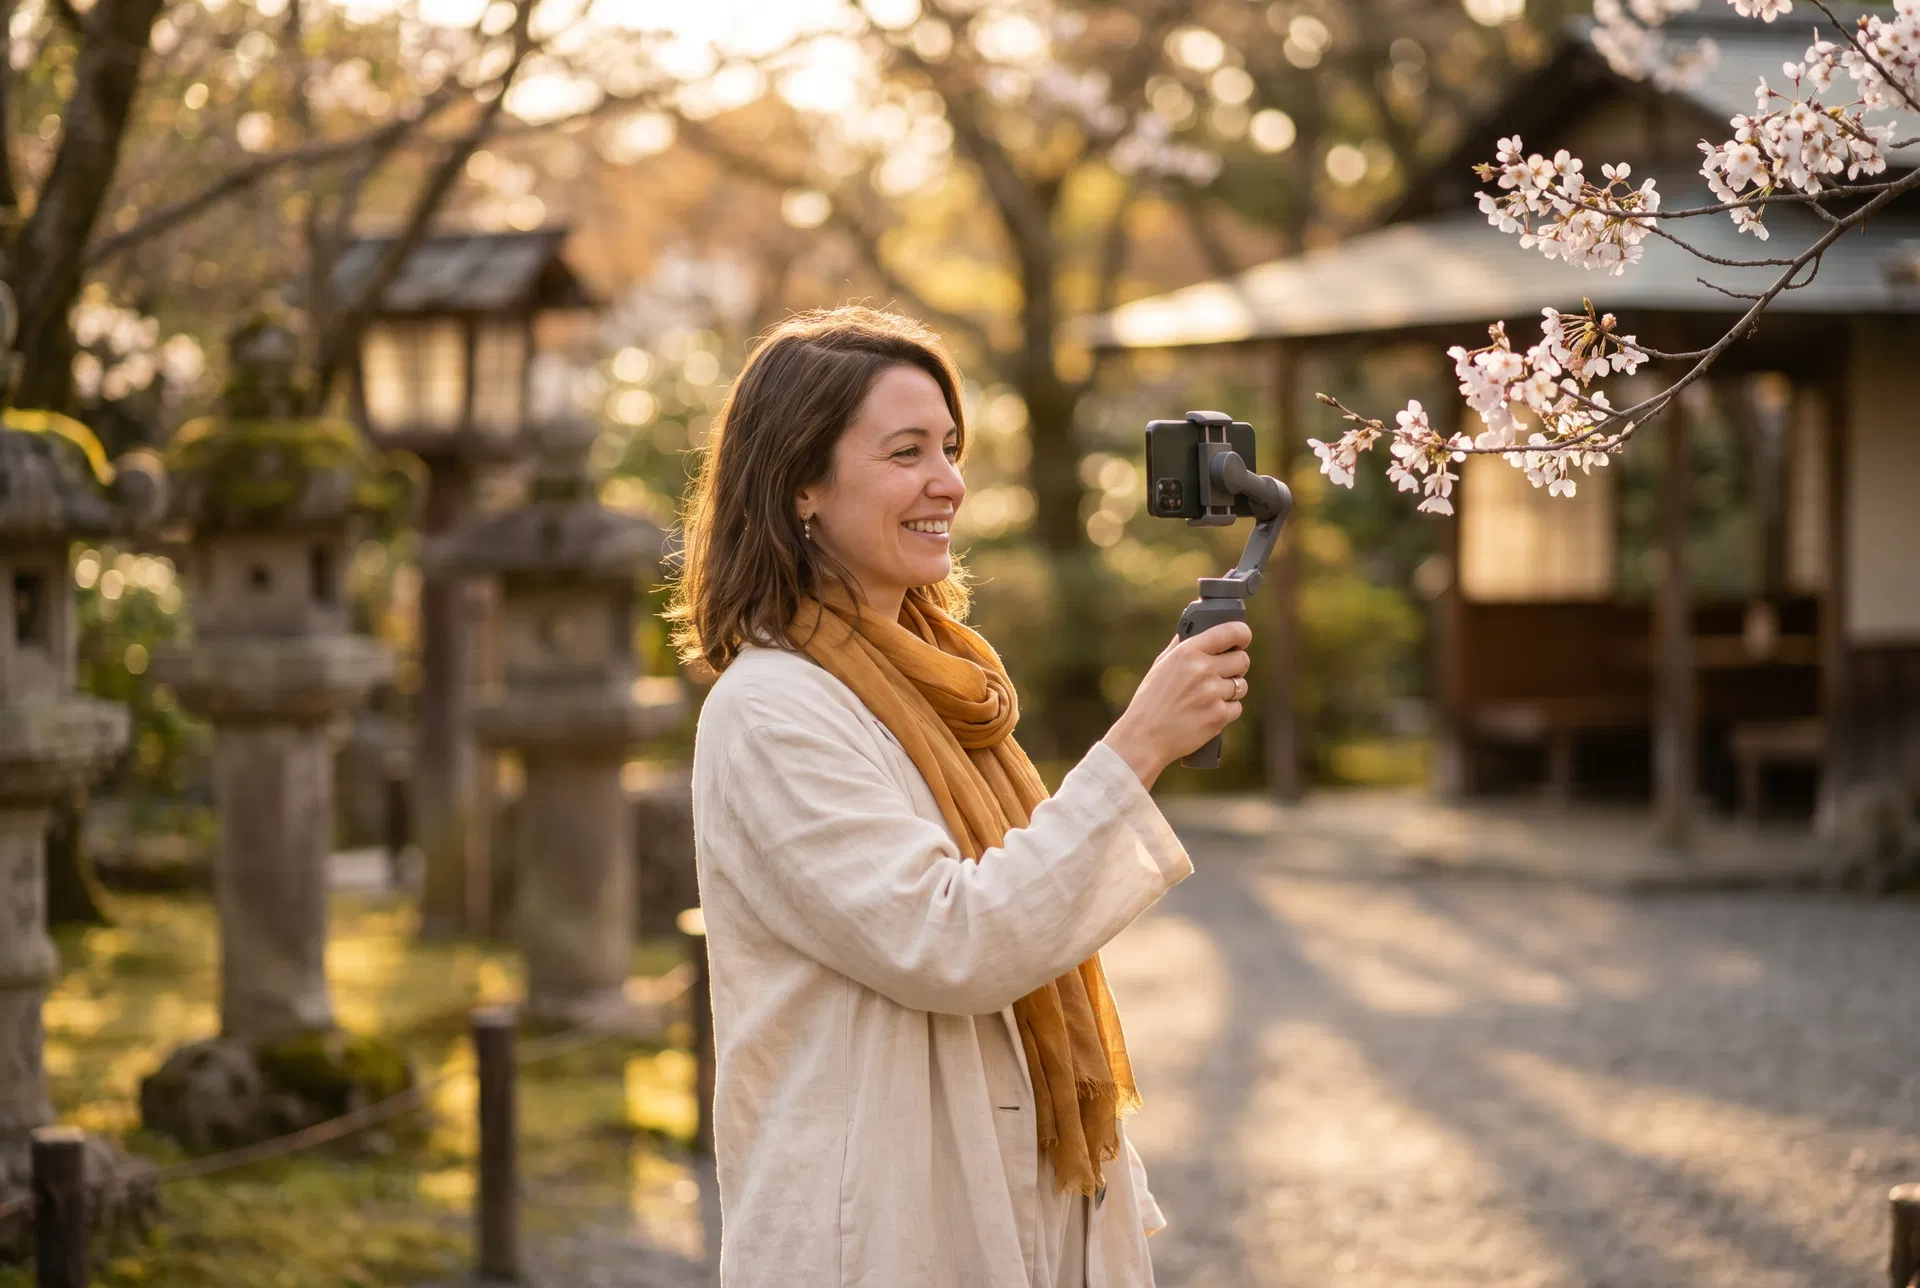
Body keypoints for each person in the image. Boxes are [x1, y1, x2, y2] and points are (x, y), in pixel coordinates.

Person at [669, 306, 1252, 1288]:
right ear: (801, 486)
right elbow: (951, 937)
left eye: (950, 446)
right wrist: (1138, 744)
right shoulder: (772, 709)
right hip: (885, 1229)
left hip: (1010, 1197)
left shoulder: (945, 687)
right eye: (906, 452)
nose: (949, 481)